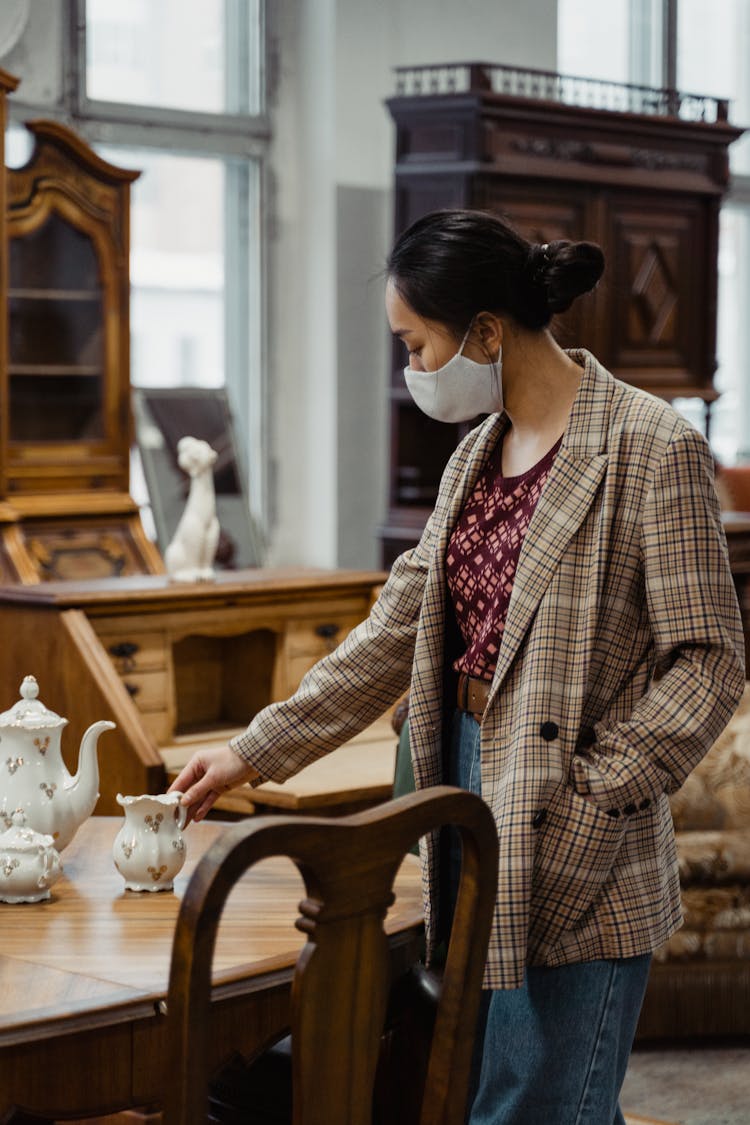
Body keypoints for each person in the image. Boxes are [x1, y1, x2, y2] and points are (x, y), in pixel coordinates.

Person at [169, 209, 745, 1124]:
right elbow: (394, 630)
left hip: (576, 803)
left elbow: (709, 659)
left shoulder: (651, 446)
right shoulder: (475, 454)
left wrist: (599, 788)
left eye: (417, 343)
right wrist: (252, 751)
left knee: (542, 1104)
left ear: (484, 331)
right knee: (477, 1091)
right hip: (467, 791)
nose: (412, 370)